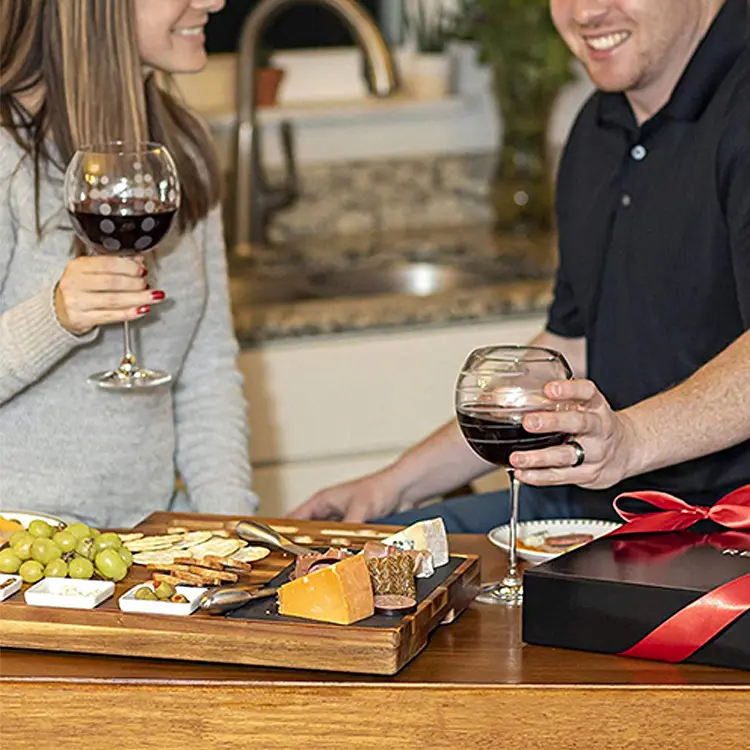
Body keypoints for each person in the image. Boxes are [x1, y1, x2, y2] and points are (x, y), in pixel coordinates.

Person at [292, 0, 750, 532]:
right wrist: (393, 484)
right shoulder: (601, 126)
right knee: (374, 550)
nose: (587, 12)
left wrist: (631, 441)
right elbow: (572, 349)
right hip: (594, 505)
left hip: (722, 524)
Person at [0, 0, 259, 528]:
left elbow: (206, 372)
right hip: (20, 556)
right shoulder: (7, 153)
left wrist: (234, 535)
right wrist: (55, 317)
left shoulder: (181, 148)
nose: (214, 2)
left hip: (144, 546)